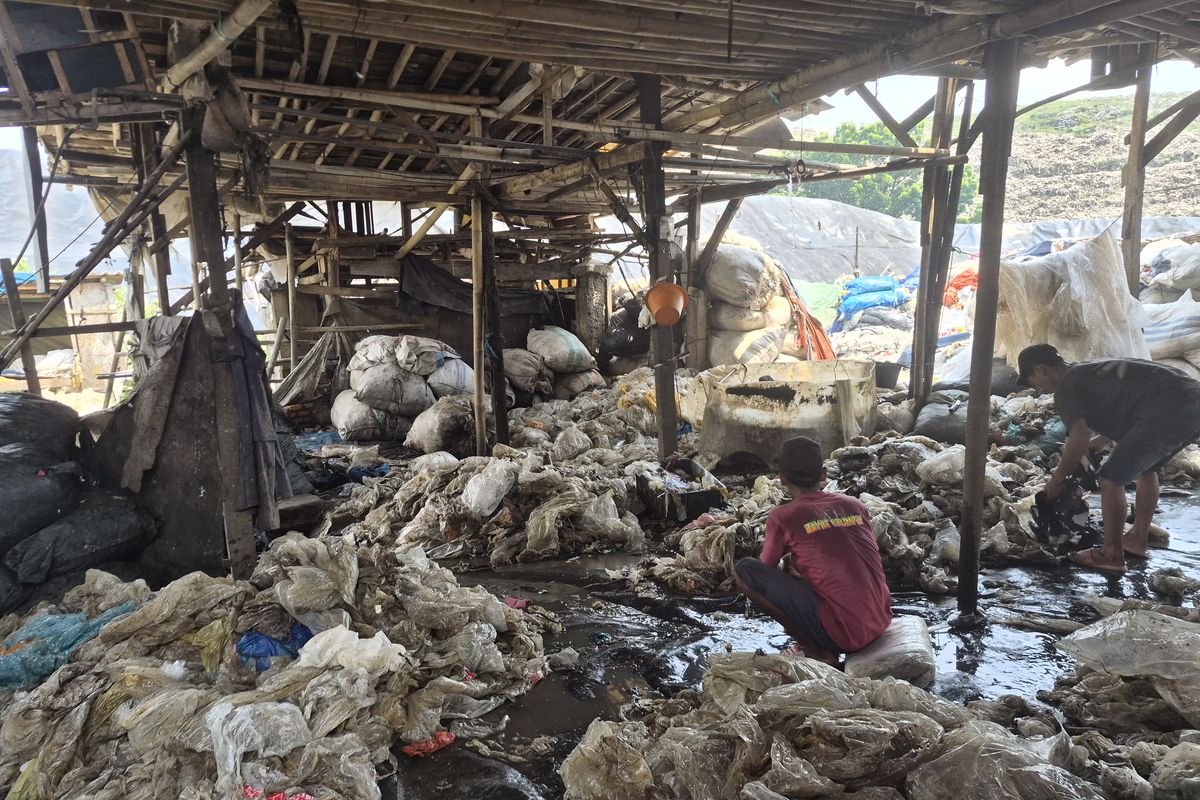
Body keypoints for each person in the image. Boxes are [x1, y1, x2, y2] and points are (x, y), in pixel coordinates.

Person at [1018, 344, 1200, 575]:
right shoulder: (1086, 372)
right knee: (1147, 469)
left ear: (1041, 369)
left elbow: (1079, 434)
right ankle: (1137, 538)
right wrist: (1100, 442)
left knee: (1111, 479)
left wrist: (1057, 479)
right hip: (1192, 401)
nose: (1038, 388)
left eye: (1033, 381)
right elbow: (1124, 403)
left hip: (1168, 408)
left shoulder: (1065, 386)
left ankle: (1111, 554)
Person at [734, 436, 892, 665]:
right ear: (824, 474)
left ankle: (815, 649)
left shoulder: (783, 516)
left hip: (846, 636)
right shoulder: (854, 504)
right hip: (879, 619)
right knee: (801, 566)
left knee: (745, 570)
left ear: (782, 479)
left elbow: (765, 568)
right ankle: (822, 632)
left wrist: (789, 565)